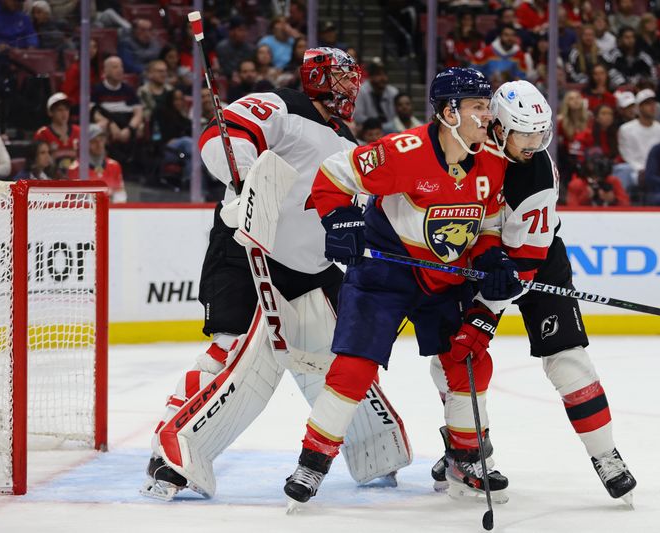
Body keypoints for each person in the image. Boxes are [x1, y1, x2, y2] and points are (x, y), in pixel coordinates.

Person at [141, 47, 413, 501]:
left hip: (312, 269)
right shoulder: (283, 106)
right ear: (320, 79)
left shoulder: (347, 143)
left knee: (345, 357)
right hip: (248, 253)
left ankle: (375, 447)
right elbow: (222, 136)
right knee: (230, 352)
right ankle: (168, 453)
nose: (351, 87)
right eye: (344, 77)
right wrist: (245, 175)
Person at [283, 67, 521, 506]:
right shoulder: (402, 152)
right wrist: (341, 219)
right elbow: (333, 175)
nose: (488, 116)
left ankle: (466, 457)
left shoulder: (492, 161)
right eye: (478, 107)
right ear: (450, 111)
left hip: (445, 278)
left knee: (468, 359)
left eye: (487, 106)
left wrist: (491, 254)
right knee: (354, 366)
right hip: (384, 274)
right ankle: (312, 461)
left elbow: (488, 218)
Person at [451, 79, 636, 503]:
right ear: (497, 127)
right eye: (524, 134)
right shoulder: (469, 151)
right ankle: (463, 454)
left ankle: (605, 454)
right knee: (457, 355)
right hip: (482, 263)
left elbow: (526, 265)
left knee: (568, 359)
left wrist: (487, 312)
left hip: (534, 262)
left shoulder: (533, 173)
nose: (534, 143)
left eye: (540, 134)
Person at [615, 89, 660, 193]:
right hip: (634, 171)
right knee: (623, 170)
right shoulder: (626, 129)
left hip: (656, 172)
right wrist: (641, 170)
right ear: (639, 107)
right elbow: (627, 155)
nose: (652, 107)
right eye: (647, 104)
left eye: (653, 103)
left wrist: (651, 171)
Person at [67, 124, 126, 202]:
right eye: (94, 141)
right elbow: (74, 202)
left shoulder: (114, 166)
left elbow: (120, 196)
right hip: (86, 212)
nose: (99, 144)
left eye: (101, 140)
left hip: (112, 212)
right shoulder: (75, 168)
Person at [34, 92, 80, 178]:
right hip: (50, 179)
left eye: (66, 109)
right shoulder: (43, 134)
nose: (64, 113)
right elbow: (38, 163)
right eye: (60, 110)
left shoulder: (78, 131)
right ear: (50, 112)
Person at [352, 58, 399, 130]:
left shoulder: (393, 92)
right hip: (369, 128)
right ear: (370, 77)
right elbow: (358, 116)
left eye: (384, 74)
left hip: (391, 129)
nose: (383, 78)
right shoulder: (361, 91)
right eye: (378, 75)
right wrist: (376, 125)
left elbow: (396, 116)